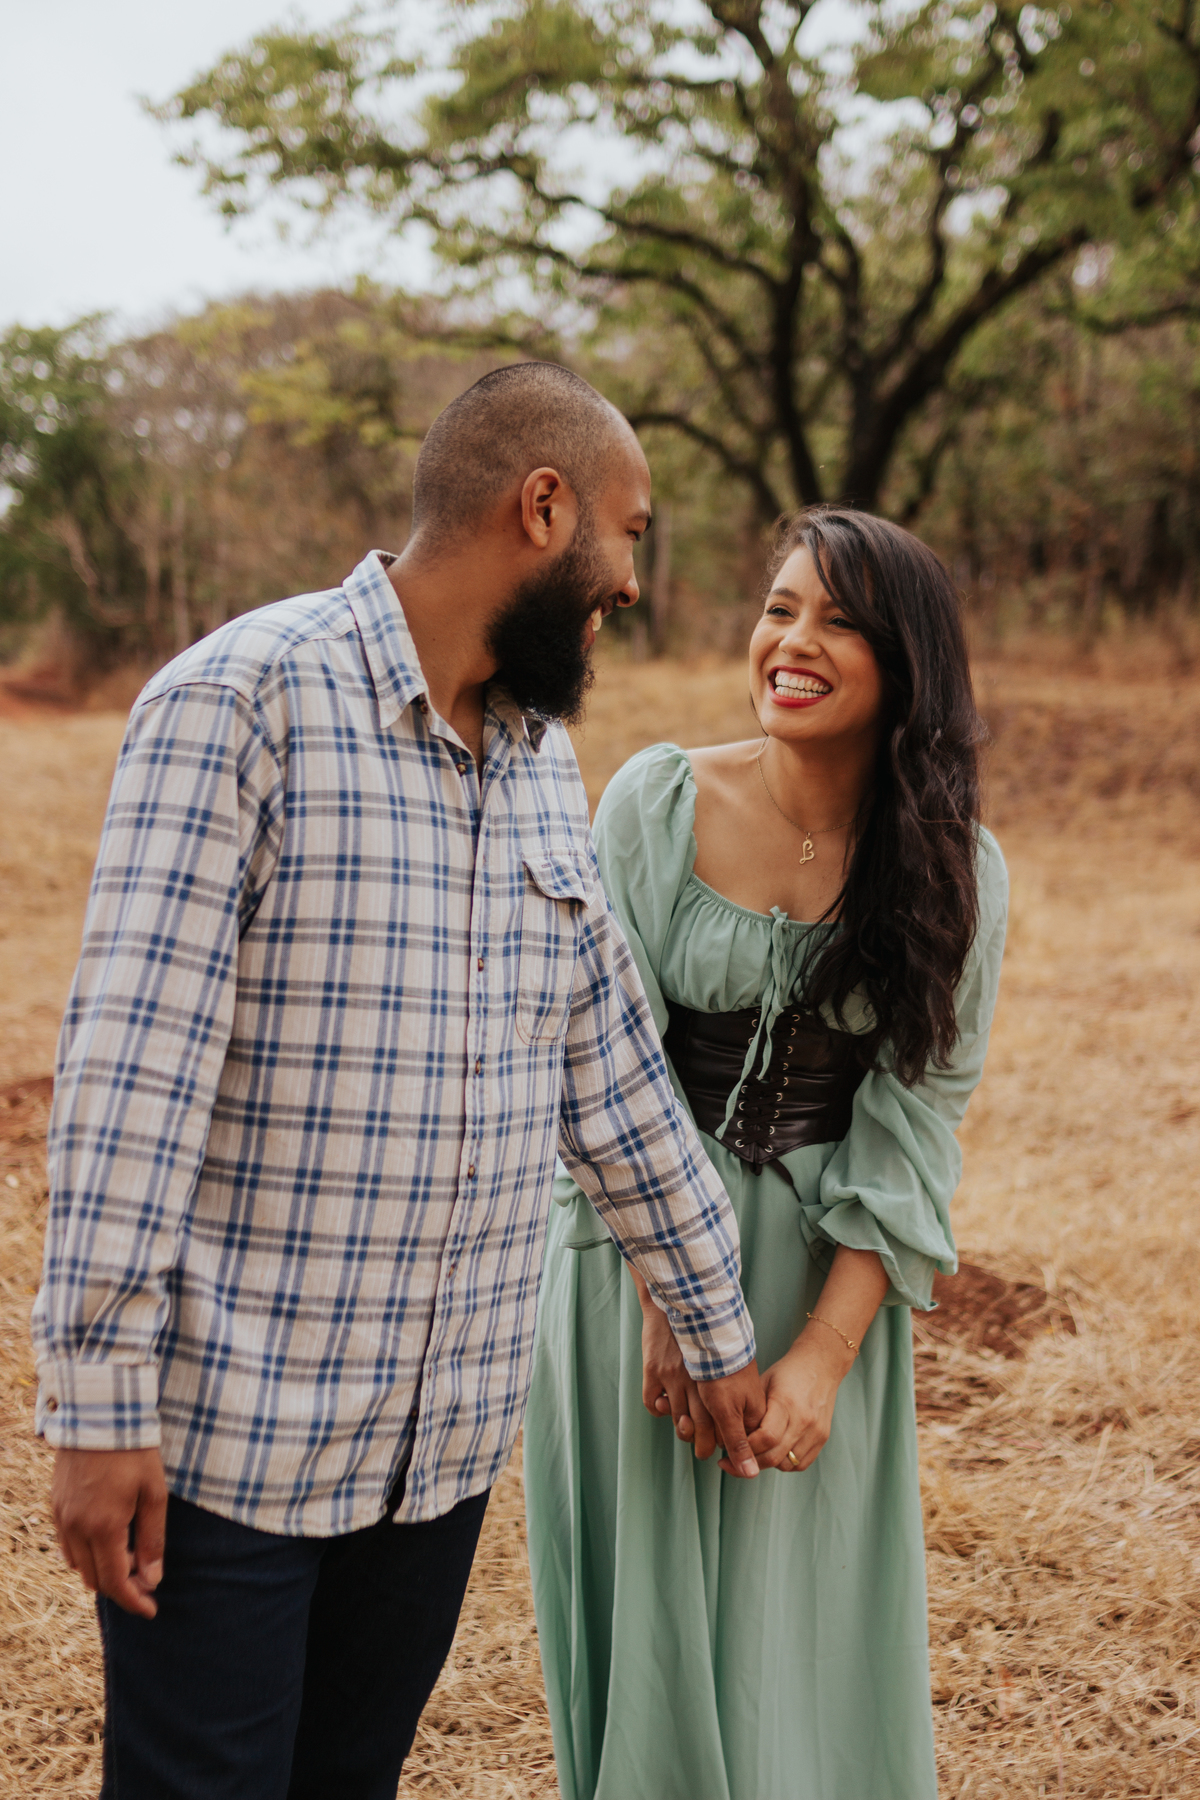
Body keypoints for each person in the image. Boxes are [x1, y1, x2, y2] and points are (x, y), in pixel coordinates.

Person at [31, 362, 770, 1800]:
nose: (631, 581)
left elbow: (609, 1065)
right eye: (628, 534)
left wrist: (712, 1315)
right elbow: (132, 1080)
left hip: (434, 1458)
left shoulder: (541, 755)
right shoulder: (241, 700)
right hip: (234, 1458)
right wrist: (98, 1409)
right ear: (541, 508)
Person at [524, 506, 1009, 1800]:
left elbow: (912, 1129)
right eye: (781, 607)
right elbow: (597, 1063)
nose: (792, 641)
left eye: (840, 621)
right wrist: (672, 1301)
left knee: (799, 1643)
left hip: (820, 1281)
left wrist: (819, 1362)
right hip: (621, 1261)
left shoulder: (958, 871)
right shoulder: (655, 800)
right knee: (652, 1640)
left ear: (907, 664)